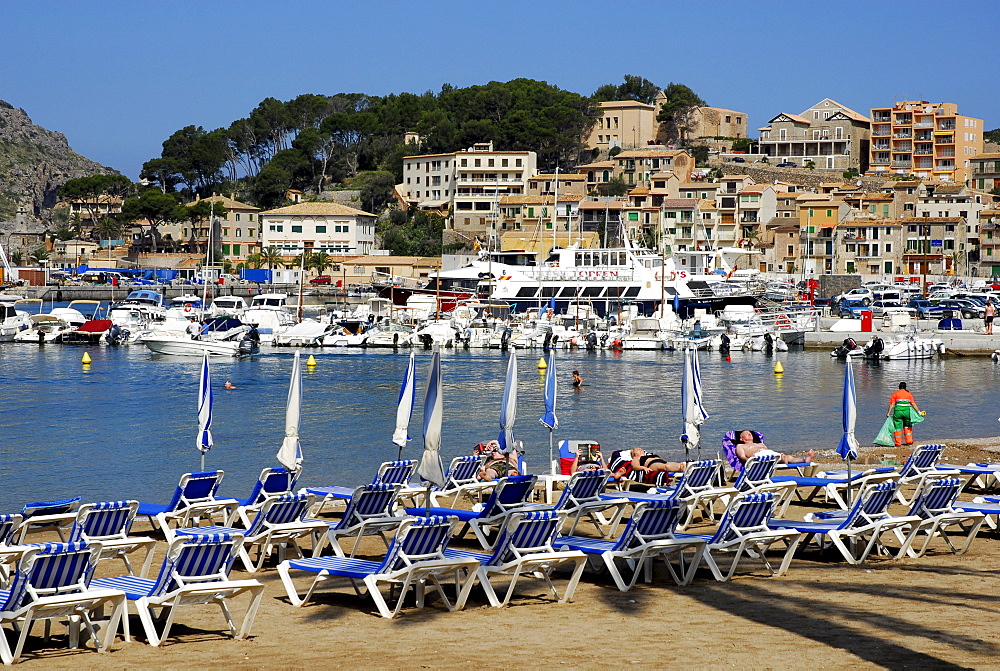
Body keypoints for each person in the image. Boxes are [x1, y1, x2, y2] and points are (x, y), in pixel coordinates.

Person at [734, 430, 815, 465]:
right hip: (758, 457)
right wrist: (751, 460)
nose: (749, 433)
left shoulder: (760, 444)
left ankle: (804, 459)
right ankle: (782, 460)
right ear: (741, 439)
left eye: (750, 433)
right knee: (781, 458)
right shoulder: (740, 446)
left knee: (787, 457)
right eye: (746, 433)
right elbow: (742, 457)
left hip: (769, 454)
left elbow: (768, 450)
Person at [887, 382, 925, 447]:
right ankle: (909, 441)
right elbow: (913, 404)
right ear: (905, 387)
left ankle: (898, 443)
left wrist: (888, 413)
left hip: (898, 412)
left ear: (899, 387)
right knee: (908, 426)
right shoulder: (908, 394)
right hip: (907, 412)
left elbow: (892, 404)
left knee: (897, 428)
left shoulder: (895, 393)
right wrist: (919, 412)